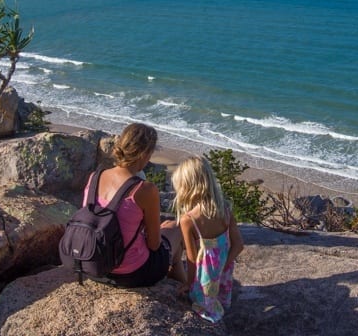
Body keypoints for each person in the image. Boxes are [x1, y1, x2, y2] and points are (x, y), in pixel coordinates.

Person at [83, 122, 186, 287]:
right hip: (131, 273)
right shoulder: (144, 189)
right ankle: (183, 286)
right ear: (145, 153)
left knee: (166, 225)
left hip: (93, 263)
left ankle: (179, 280)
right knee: (175, 227)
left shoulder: (95, 177)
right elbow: (154, 244)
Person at [172, 156, 244, 322]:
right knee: (221, 299)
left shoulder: (188, 220)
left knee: (200, 301)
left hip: (204, 280)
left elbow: (191, 259)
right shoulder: (225, 210)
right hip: (223, 274)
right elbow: (238, 245)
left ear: (186, 187)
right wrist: (223, 266)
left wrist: (188, 283)